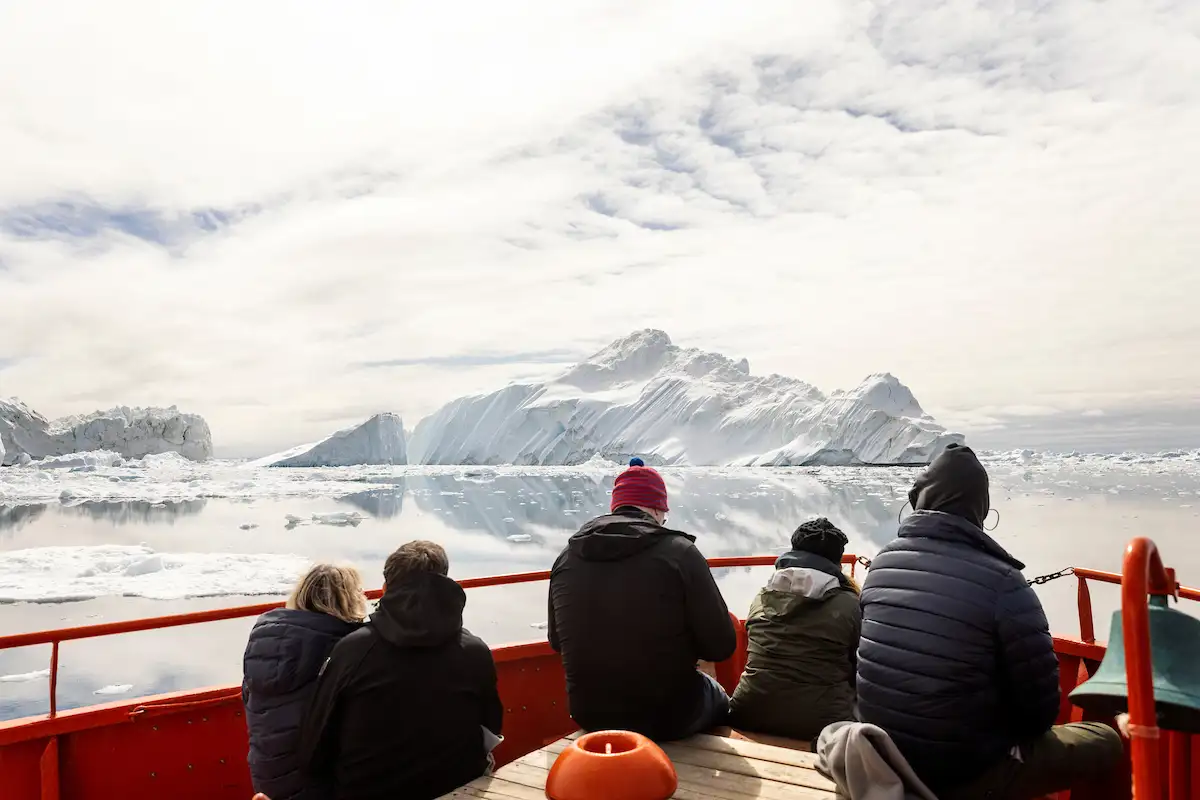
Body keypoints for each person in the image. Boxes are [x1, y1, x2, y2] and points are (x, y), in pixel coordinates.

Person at [856, 443, 1123, 799]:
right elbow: (1040, 714)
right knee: (1105, 740)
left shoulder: (881, 567)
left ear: (918, 502)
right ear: (979, 511)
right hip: (963, 772)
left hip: (883, 756)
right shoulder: (1003, 583)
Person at [548, 457, 737, 741]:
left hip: (590, 713)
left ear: (616, 507)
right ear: (657, 509)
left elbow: (556, 641)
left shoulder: (567, 556)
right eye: (664, 514)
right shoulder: (681, 553)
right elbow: (721, 646)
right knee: (718, 696)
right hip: (668, 718)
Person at [297, 541, 503, 800]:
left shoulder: (353, 652)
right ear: (446, 586)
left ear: (384, 589)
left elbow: (313, 750)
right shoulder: (475, 652)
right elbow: (491, 727)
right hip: (456, 790)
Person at [728, 518, 861, 741]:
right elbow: (860, 668)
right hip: (823, 727)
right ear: (837, 563)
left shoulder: (761, 597)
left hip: (748, 713)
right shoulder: (851, 605)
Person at [243, 564, 367, 800]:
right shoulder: (342, 647)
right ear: (349, 600)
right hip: (317, 784)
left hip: (266, 780)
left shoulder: (262, 640)